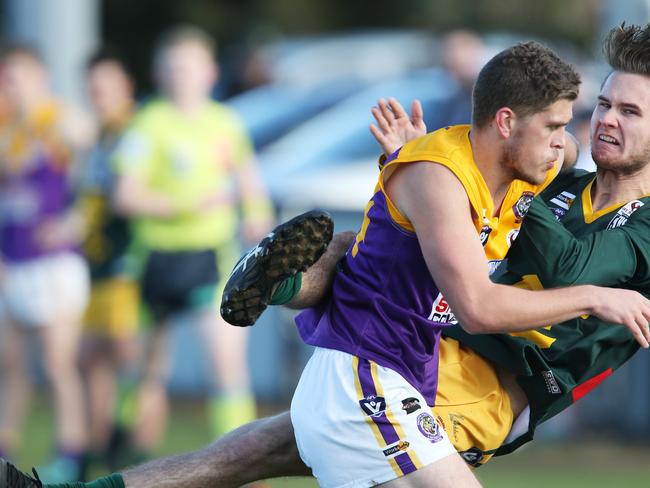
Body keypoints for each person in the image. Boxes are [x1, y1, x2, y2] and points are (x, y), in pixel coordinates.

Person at [5, 23, 650, 488]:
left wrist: (450, 177)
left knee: (260, 447)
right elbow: (469, 240)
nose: (603, 123)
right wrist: (447, 179)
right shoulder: (556, 177)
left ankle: (285, 286)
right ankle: (282, 282)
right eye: (602, 105)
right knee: (266, 439)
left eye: (630, 111)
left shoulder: (612, 211)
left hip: (487, 393)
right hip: (423, 354)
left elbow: (572, 269)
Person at [109, 25, 274, 459]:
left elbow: (247, 179)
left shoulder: (224, 122)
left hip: (211, 256)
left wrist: (258, 215)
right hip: (158, 259)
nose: (181, 75)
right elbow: (125, 195)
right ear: (160, 74)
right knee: (145, 371)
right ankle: (127, 451)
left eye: (190, 67)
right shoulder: (149, 124)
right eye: (173, 68)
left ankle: (245, 460)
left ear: (209, 71)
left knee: (227, 364)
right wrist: (186, 202)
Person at [0, 44, 95, 482]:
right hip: (15, 261)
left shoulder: (56, 119)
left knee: (59, 363)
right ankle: (5, 449)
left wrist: (43, 109)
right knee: (11, 365)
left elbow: (84, 137)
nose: (8, 86)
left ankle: (70, 454)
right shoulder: (8, 129)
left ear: (38, 78)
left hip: (54, 264)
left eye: (15, 77)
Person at [76, 48, 140, 472]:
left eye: (105, 86)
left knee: (126, 355)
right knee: (88, 359)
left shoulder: (137, 131)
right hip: (97, 263)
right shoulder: (99, 136)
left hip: (129, 263)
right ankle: (97, 446)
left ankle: (128, 442)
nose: (97, 94)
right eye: (92, 87)